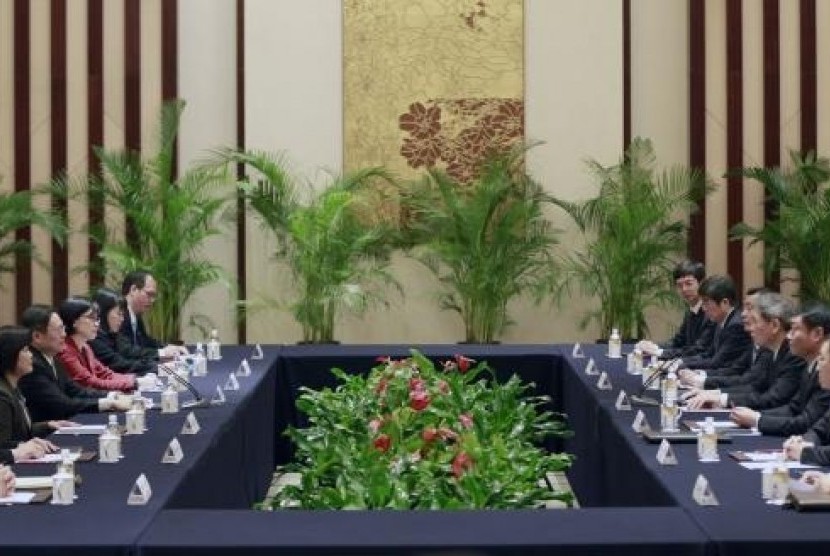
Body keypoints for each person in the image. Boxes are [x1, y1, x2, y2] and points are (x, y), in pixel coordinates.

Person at [683, 292, 803, 410]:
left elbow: (773, 398)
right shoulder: (770, 351)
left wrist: (722, 399)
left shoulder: (794, 354)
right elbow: (753, 387)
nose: (750, 328)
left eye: (754, 321)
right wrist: (716, 394)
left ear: (775, 325)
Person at [19, 304, 131, 422]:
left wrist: (112, 396)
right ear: (37, 336)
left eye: (63, 328)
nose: (64, 334)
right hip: (44, 435)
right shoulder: (32, 366)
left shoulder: (53, 358)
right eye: (58, 330)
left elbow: (76, 391)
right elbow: (63, 404)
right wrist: (109, 403)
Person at [730, 304, 830, 435]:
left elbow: (806, 423)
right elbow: (793, 408)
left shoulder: (825, 373)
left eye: (795, 329)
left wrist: (758, 420)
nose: (788, 336)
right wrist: (756, 415)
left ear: (817, 334)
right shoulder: (810, 366)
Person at [0, 326, 75, 448]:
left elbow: (20, 431)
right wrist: (24, 445)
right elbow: (2, 446)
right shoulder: (2, 396)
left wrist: (48, 425)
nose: (31, 356)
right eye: (25, 350)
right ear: (10, 355)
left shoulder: (13, 387)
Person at [636, 260, 714, 359]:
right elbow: (678, 341)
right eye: (680, 285)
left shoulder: (711, 313)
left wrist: (659, 352)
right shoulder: (691, 310)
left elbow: (698, 349)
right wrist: (653, 347)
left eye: (688, 284)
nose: (684, 289)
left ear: (702, 283)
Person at [56, 297, 137, 392]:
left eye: (97, 318)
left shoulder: (85, 347)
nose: (97, 324)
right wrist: (132, 383)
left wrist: (135, 380)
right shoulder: (66, 352)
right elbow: (90, 383)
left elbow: (105, 374)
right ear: (74, 321)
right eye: (91, 318)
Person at [678, 275, 751, 370]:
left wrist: (684, 365)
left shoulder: (736, 326)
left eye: (706, 303)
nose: (703, 309)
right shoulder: (720, 321)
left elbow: (717, 362)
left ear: (725, 302)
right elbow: (708, 354)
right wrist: (680, 361)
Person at [89, 288, 157, 376]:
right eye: (119, 314)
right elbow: (119, 364)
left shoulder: (113, 334)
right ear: (103, 313)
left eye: (123, 314)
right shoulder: (94, 338)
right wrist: (154, 366)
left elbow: (130, 354)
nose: (122, 319)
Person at [120, 270, 187, 357]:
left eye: (154, 296)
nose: (152, 300)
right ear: (133, 290)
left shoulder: (136, 314)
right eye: (149, 294)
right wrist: (161, 353)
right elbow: (127, 351)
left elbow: (145, 341)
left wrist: (169, 347)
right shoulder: (119, 315)